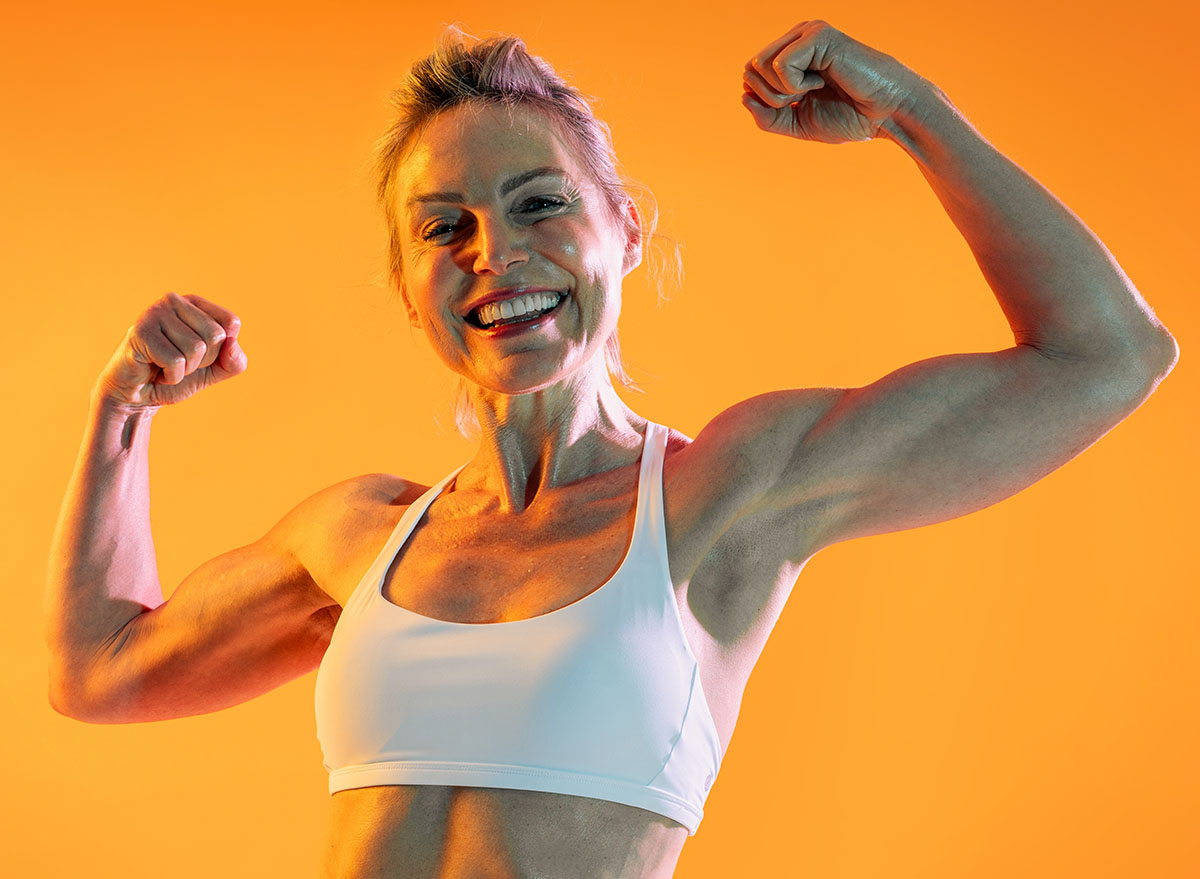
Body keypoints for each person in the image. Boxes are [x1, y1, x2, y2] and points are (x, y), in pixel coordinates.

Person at [44, 19, 1178, 879]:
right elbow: (99, 673)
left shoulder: (728, 490)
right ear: (407, 283)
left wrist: (913, 111)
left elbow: (1106, 356)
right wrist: (122, 412)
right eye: (445, 227)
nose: (495, 252)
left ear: (624, 231)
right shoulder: (358, 535)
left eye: (540, 204)